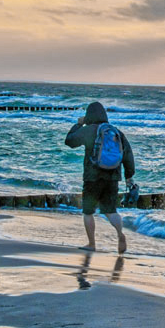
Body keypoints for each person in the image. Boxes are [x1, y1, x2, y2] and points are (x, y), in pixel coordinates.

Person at [65, 101, 135, 253]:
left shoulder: (89, 130)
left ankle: (91, 244)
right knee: (111, 211)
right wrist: (129, 176)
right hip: (113, 177)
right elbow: (128, 155)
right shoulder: (116, 132)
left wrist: (78, 124)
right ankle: (120, 234)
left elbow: (69, 141)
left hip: (92, 177)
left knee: (88, 211)